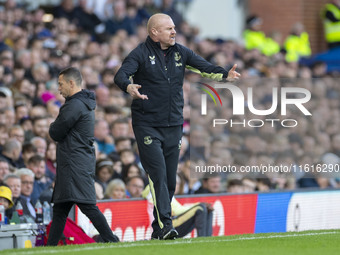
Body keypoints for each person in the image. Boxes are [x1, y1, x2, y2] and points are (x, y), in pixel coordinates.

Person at [114, 13, 240, 240]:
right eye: (168, 28)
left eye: (174, 28)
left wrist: (224, 75)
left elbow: (204, 67)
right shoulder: (139, 54)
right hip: (147, 124)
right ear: (154, 33)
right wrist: (128, 87)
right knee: (158, 174)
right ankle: (165, 227)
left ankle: (157, 228)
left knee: (170, 179)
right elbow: (121, 74)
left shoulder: (181, 52)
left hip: (174, 124)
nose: (174, 31)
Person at [46, 67, 119, 246]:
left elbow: (55, 131)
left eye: (61, 84)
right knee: (61, 209)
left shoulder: (74, 105)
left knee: (87, 206)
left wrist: (52, 126)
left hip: (73, 163)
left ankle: (112, 240)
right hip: (75, 162)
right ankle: (49, 248)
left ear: (72, 83)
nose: (59, 88)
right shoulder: (82, 104)